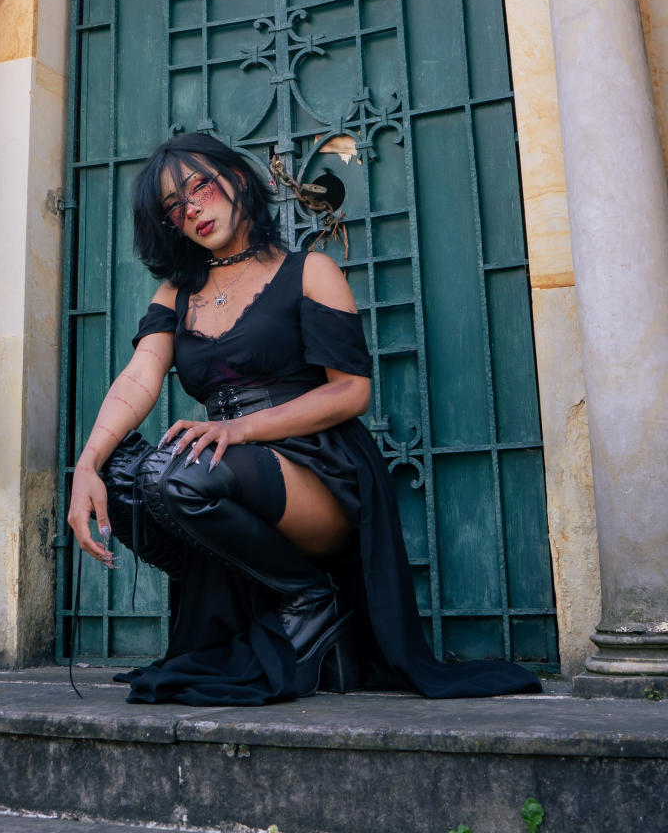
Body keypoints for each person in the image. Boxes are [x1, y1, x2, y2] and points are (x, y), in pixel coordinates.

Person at [68, 132, 541, 706]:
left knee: (176, 474)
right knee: (122, 475)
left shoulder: (309, 271)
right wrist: (86, 464)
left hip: (317, 467)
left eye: (199, 187)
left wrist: (239, 428)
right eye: (173, 205)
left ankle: (312, 597)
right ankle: (238, 604)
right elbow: (139, 376)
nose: (190, 209)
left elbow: (351, 392)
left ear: (236, 179)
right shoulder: (176, 292)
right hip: (228, 467)